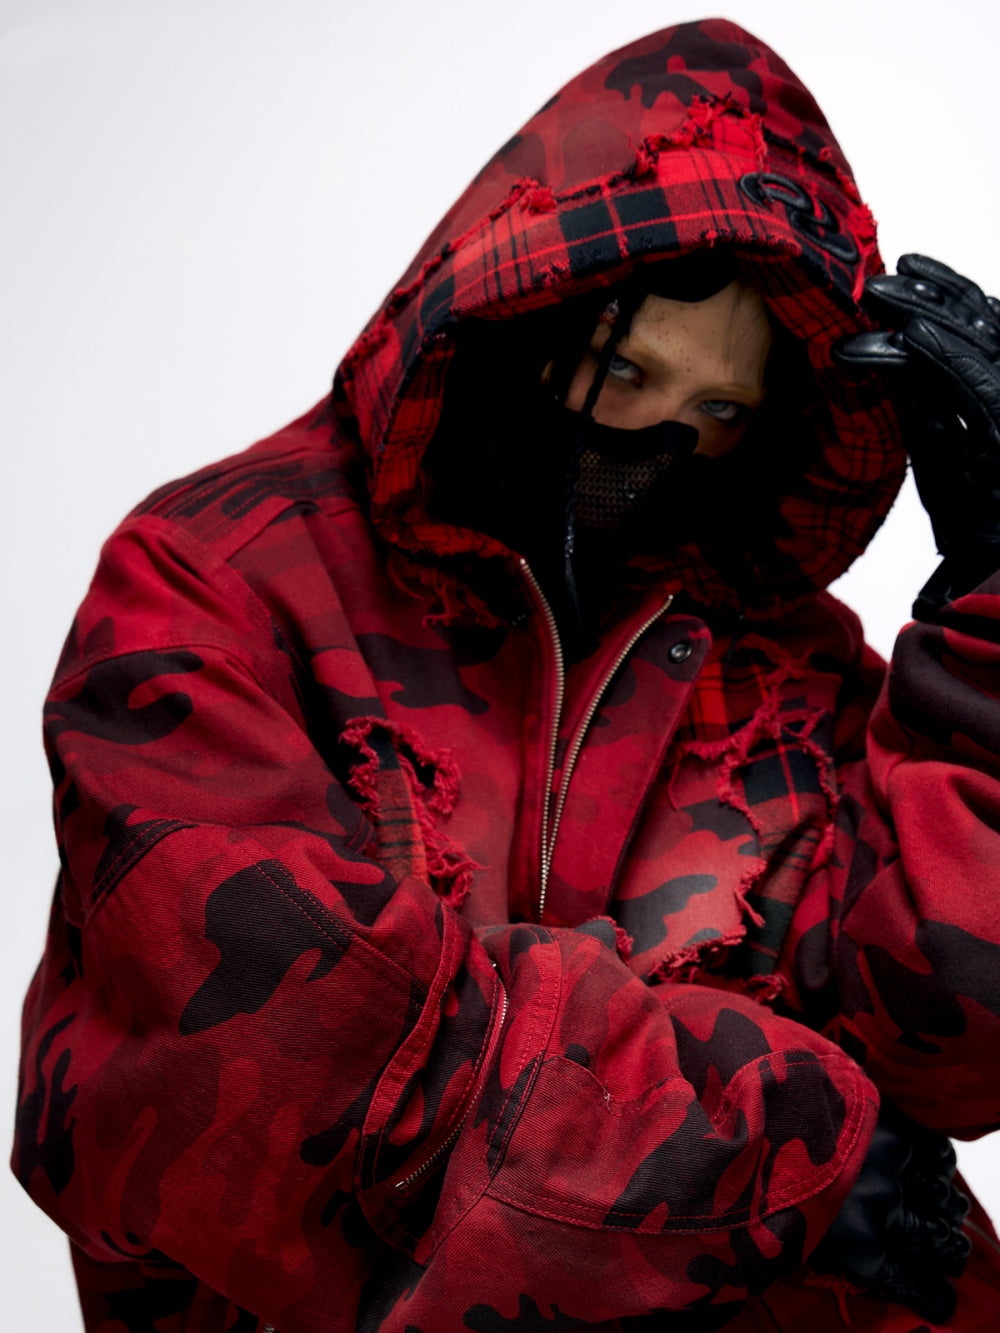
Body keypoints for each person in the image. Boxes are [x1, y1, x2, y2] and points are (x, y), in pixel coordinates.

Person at [12, 16, 1000, 1331]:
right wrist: (782, 1142)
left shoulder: (782, 670)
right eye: (627, 372)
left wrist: (989, 621)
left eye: (718, 414)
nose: (657, 440)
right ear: (525, 307)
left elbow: (945, 1047)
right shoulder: (219, 580)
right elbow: (270, 1064)